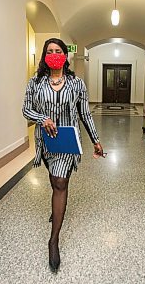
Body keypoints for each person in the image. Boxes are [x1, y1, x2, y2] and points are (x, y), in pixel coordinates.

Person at [22, 38, 104, 273]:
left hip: (68, 139)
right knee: (53, 178)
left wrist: (96, 140)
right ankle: (55, 211)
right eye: (50, 51)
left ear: (66, 55)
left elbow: (85, 114)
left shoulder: (77, 83)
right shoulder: (35, 82)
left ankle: (54, 240)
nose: (55, 54)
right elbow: (26, 108)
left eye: (59, 51)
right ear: (44, 56)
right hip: (46, 141)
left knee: (60, 181)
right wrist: (42, 119)